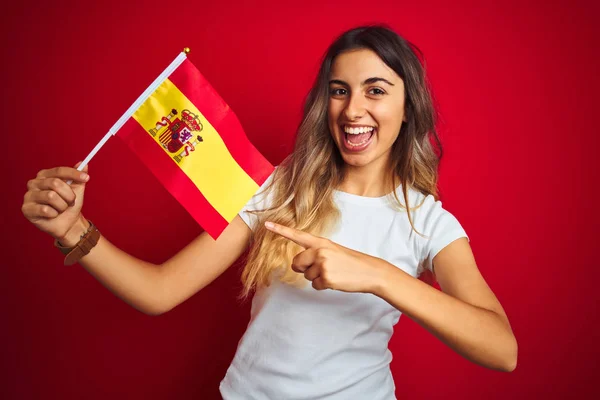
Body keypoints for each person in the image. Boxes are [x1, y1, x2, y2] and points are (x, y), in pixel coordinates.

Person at [22, 25, 517, 399]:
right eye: (339, 90)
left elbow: (502, 349)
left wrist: (375, 274)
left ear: (407, 107)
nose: (352, 109)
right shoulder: (279, 187)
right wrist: (74, 231)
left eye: (376, 90)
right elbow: (159, 291)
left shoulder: (427, 222)